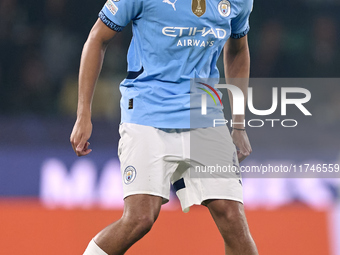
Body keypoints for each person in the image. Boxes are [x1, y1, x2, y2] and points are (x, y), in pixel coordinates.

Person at [70, 0, 259, 254]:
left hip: (204, 114)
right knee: (140, 218)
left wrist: (239, 124)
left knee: (233, 218)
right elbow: (97, 38)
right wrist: (83, 114)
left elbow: (238, 49)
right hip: (147, 112)